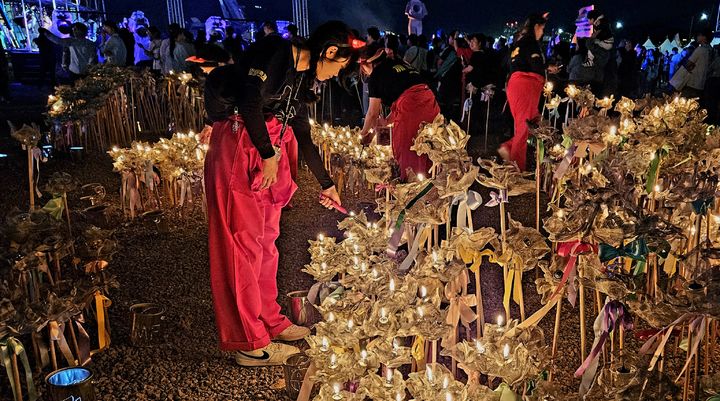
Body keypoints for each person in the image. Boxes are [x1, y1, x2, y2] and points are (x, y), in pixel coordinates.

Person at [203, 20, 356, 366]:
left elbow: (300, 128)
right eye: (339, 66)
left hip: (268, 144)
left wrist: (326, 182)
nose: (335, 75)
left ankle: (268, 318)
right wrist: (269, 156)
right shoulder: (276, 52)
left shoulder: (304, 75)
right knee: (241, 243)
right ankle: (248, 342)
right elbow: (249, 100)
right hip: (241, 142)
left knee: (267, 240)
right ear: (329, 52)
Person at [359, 42, 440, 180]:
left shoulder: (376, 75)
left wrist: (364, 134)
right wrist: (386, 121)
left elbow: (373, 112)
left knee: (408, 149)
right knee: (427, 145)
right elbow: (401, 97)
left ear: (365, 64)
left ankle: (410, 188)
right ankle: (429, 183)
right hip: (430, 101)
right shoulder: (399, 62)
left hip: (412, 107)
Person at [498, 13, 559, 170]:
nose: (542, 32)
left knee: (535, 121)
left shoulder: (519, 43)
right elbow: (536, 65)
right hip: (525, 87)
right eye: (542, 28)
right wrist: (548, 68)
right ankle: (516, 165)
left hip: (517, 86)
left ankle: (510, 149)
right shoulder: (531, 43)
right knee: (524, 126)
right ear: (536, 27)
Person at [670, 29, 712, 98]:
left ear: (704, 37)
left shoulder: (700, 49)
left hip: (692, 83)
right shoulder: (712, 50)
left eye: (699, 35)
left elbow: (688, 64)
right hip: (703, 84)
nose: (697, 37)